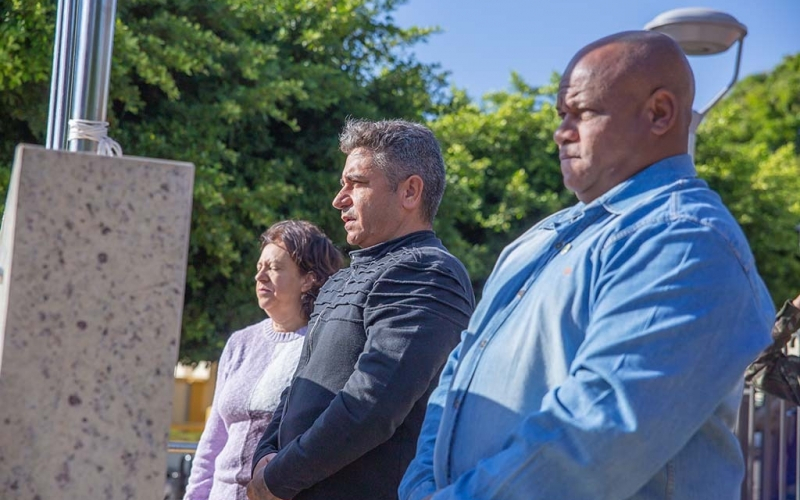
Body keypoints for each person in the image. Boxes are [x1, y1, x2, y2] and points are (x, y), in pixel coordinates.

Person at [399, 31, 775, 500]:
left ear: (659, 113)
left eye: (582, 112)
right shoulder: (539, 239)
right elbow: (456, 379)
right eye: (561, 115)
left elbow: (595, 438)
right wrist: (419, 487)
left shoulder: (686, 240)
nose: (561, 132)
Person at [246, 119, 476, 500]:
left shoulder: (428, 272)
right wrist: (264, 457)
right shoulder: (340, 280)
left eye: (356, 183)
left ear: (410, 191)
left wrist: (279, 477)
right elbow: (297, 386)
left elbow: (370, 406)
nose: (339, 199)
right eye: (343, 184)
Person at [183, 220, 343, 500]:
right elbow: (213, 439)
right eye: (259, 267)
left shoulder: (324, 347)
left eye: (274, 268)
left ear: (308, 279)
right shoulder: (240, 343)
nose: (260, 277)